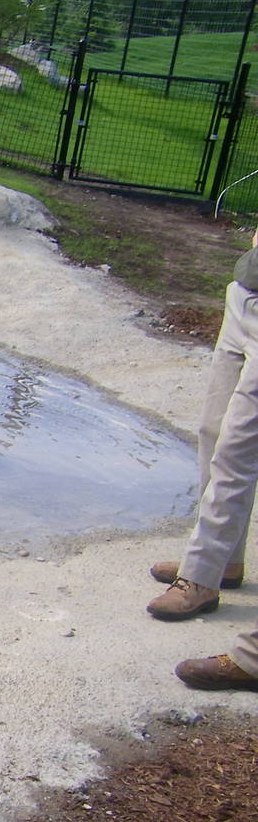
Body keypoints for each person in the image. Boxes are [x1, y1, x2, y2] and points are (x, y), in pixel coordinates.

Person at [147, 230, 258, 691]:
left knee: (238, 448)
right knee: (212, 433)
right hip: (246, 293)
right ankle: (219, 564)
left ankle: (198, 580)